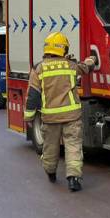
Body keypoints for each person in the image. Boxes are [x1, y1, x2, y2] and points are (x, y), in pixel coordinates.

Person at [24, 32, 97, 192]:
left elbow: (33, 96)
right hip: (72, 116)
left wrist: (29, 117)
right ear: (63, 48)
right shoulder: (70, 65)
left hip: (50, 118)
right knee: (73, 146)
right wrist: (92, 60)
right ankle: (73, 179)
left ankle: (51, 172)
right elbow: (86, 68)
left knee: (50, 147)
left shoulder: (38, 69)